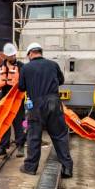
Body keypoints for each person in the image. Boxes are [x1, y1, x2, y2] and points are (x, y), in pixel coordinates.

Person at [18, 42, 74, 178]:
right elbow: (61, 81)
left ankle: (30, 167)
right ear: (40, 52)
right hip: (54, 102)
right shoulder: (53, 65)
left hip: (36, 105)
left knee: (34, 136)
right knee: (60, 136)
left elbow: (21, 87)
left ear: (30, 54)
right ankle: (67, 168)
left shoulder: (26, 68)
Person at [0, 43, 26, 157]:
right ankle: (2, 147)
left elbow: (27, 83)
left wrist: (29, 98)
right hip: (4, 96)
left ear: (15, 54)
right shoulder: (0, 67)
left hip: (17, 97)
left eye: (13, 55)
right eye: (9, 55)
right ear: (5, 55)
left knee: (18, 123)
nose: (12, 57)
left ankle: (20, 147)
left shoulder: (22, 66)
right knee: (3, 122)